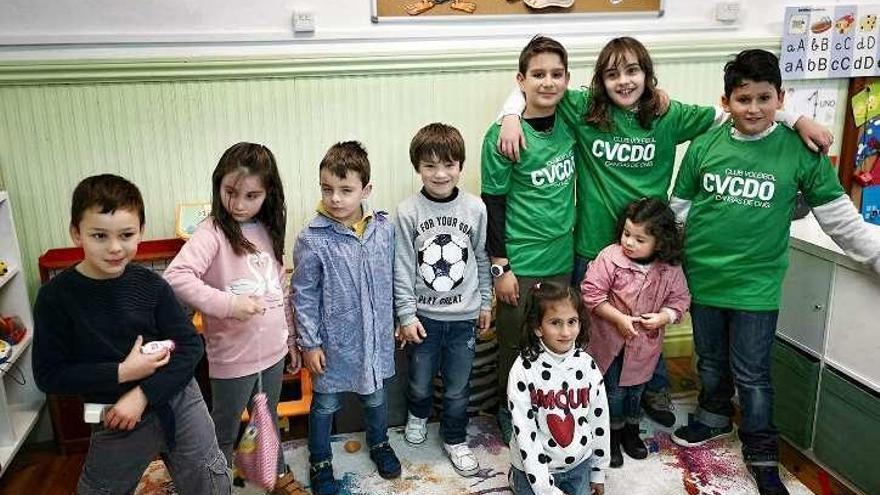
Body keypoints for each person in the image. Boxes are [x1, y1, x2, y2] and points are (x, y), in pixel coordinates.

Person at [495, 36, 833, 430]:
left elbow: (735, 113)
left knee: (646, 326)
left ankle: (649, 391)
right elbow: (538, 88)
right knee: (594, 335)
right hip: (594, 247)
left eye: (633, 71)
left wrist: (796, 118)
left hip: (651, 249)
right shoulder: (585, 108)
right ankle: (588, 404)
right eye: (612, 73)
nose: (623, 81)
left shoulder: (667, 115)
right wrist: (509, 116)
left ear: (648, 76)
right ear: (599, 81)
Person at [669, 49, 880, 495]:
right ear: (725, 102)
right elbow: (678, 211)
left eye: (765, 98)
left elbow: (840, 220)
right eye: (743, 99)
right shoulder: (704, 145)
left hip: (757, 287)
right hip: (703, 279)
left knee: (753, 374)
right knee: (709, 360)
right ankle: (712, 416)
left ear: (780, 98)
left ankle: (762, 451)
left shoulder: (800, 151)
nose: (754, 109)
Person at [33, 174, 231, 494]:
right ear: (76, 233)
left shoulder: (152, 285)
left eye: (126, 235)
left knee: (209, 482)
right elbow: (49, 375)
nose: (114, 248)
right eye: (99, 235)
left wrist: (143, 393)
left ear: (141, 231)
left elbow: (190, 346)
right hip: (115, 415)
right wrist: (122, 372)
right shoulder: (55, 297)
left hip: (179, 401)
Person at [164, 142, 302, 494]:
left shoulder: (268, 228)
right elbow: (176, 278)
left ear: (268, 195)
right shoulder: (212, 232)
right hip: (233, 358)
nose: (238, 204)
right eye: (230, 193)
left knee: (268, 417)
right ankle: (215, 483)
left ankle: (275, 473)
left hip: (271, 352)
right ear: (218, 186)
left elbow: (279, 289)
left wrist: (290, 340)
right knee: (223, 429)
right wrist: (229, 304)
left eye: (251, 195)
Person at [481, 35, 577, 444]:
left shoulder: (571, 120)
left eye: (556, 74)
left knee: (556, 340)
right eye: (538, 74)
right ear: (521, 80)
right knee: (515, 344)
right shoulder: (502, 136)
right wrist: (500, 267)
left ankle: (547, 406)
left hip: (561, 257)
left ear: (567, 79)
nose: (548, 82)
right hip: (519, 263)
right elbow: (493, 203)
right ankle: (508, 409)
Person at [292, 141, 400, 495]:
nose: (335, 198)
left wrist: (400, 317)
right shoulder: (313, 239)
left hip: (375, 336)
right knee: (325, 403)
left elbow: (395, 276)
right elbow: (303, 294)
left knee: (374, 396)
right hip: (332, 342)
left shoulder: (383, 229)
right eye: (327, 189)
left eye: (346, 190)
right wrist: (309, 343)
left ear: (365, 190)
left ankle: (380, 442)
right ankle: (320, 458)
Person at [393, 123, 492, 476]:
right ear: (418, 167)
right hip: (423, 318)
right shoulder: (407, 212)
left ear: (460, 166)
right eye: (430, 165)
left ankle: (454, 438)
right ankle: (417, 416)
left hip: (463, 318)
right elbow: (402, 266)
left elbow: (481, 257)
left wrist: (485, 302)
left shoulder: (476, 208)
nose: (440, 173)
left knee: (457, 388)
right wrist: (405, 314)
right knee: (419, 380)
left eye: (448, 164)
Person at [581, 198, 690, 468]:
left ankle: (631, 431)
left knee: (636, 391)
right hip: (610, 343)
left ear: (661, 242)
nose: (628, 242)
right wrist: (618, 318)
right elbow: (590, 293)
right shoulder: (610, 257)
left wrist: (664, 316)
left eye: (639, 239)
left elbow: (681, 301)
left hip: (645, 347)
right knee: (614, 392)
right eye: (626, 233)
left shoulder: (670, 268)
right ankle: (611, 435)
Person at [507, 282, 609, 495]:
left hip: (578, 464)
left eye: (572, 321)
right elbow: (526, 435)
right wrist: (546, 490)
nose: (566, 332)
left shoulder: (587, 365)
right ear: (537, 327)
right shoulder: (522, 369)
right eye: (555, 323)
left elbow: (599, 420)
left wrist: (597, 471)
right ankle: (515, 480)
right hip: (531, 468)